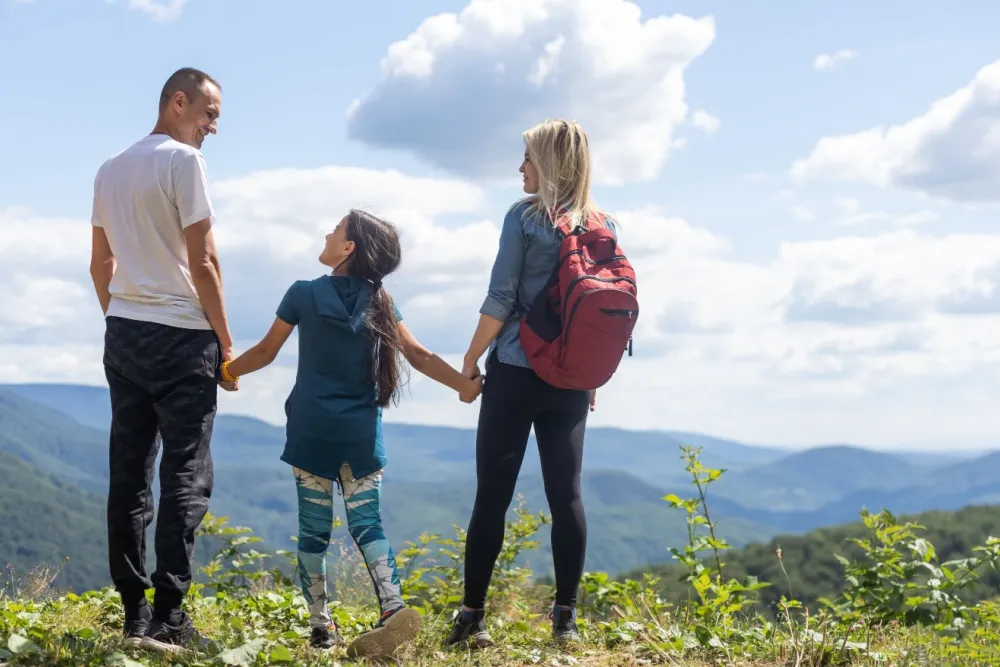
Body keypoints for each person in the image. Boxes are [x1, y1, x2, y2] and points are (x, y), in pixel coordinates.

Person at [223, 209, 484, 658]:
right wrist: (464, 385)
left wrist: (227, 371)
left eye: (336, 230)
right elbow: (419, 355)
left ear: (348, 249)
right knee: (367, 522)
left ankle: (321, 627)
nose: (326, 232)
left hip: (311, 430)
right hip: (361, 434)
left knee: (313, 529)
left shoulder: (303, 293)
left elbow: (266, 351)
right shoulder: (381, 301)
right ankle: (392, 606)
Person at [446, 119, 612, 648]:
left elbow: (501, 297)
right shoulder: (602, 223)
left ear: (548, 163)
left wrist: (471, 358)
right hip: (571, 382)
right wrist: (589, 375)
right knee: (567, 497)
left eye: (527, 158)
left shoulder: (524, 218)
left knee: (492, 497)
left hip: (516, 372)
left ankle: (472, 616)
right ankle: (565, 619)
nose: (520, 168)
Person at [89, 67, 235, 654]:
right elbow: (204, 262)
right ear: (179, 103)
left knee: (128, 474)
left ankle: (133, 615)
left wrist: (118, 317)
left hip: (124, 332)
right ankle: (171, 619)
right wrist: (225, 344)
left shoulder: (109, 168)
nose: (213, 127)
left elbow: (100, 264)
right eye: (210, 113)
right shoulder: (184, 162)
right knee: (184, 475)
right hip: (182, 337)